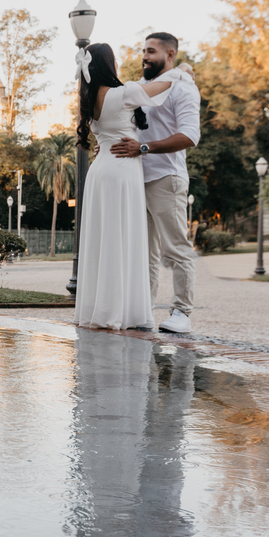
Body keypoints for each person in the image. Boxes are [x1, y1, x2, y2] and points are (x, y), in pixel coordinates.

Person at [74, 43, 193, 330]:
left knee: (105, 240)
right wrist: (181, 71)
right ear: (108, 64)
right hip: (122, 169)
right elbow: (161, 86)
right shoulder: (121, 94)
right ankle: (123, 312)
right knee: (123, 238)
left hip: (100, 170)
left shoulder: (89, 97)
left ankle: (103, 309)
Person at [110, 33, 201, 334]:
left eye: (151, 51)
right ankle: (143, 311)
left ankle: (182, 313)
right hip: (137, 177)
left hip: (166, 178)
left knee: (176, 249)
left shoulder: (183, 88)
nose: (145, 57)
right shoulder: (144, 88)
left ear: (170, 54)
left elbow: (190, 136)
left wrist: (144, 148)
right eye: (143, 52)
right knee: (144, 252)